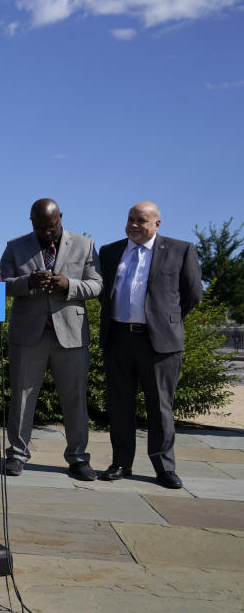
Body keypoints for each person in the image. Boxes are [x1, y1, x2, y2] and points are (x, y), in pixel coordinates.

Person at [98, 201, 202, 489]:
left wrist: (167, 321)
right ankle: (121, 462)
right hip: (118, 338)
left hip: (159, 343)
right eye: (130, 219)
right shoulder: (109, 252)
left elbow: (192, 293)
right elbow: (103, 292)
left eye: (141, 220)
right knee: (119, 405)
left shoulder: (181, 250)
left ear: (157, 224)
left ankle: (164, 467)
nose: (133, 224)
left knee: (160, 407)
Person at [1, 198, 102, 480]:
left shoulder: (85, 244)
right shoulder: (15, 246)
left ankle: (79, 458)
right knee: (21, 398)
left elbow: (97, 284)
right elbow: (0, 283)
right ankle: (17, 454)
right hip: (28, 335)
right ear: (31, 222)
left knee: (75, 400)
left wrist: (68, 284)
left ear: (61, 217)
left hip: (70, 335)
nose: (48, 231)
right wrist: (26, 283)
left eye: (53, 225)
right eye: (42, 227)